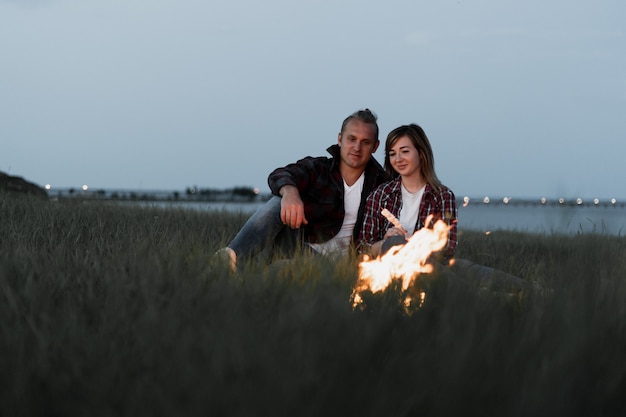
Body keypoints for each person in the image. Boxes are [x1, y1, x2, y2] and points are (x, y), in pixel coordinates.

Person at [215, 108, 391, 271]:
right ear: (340, 139)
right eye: (351, 139)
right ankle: (228, 261)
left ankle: (268, 277)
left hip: (337, 264)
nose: (357, 148)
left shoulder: (382, 184)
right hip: (298, 246)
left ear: (375, 146)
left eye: (365, 142)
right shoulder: (319, 168)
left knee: (281, 271)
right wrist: (290, 193)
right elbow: (280, 174)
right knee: (279, 200)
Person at [358, 123, 457, 263]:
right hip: (388, 270)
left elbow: (447, 249)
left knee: (471, 269)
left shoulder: (443, 196)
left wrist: (411, 243)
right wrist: (386, 243)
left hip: (431, 269)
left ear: (421, 153)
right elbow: (363, 248)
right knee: (394, 242)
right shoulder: (380, 195)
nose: (398, 159)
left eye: (405, 151)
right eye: (392, 154)